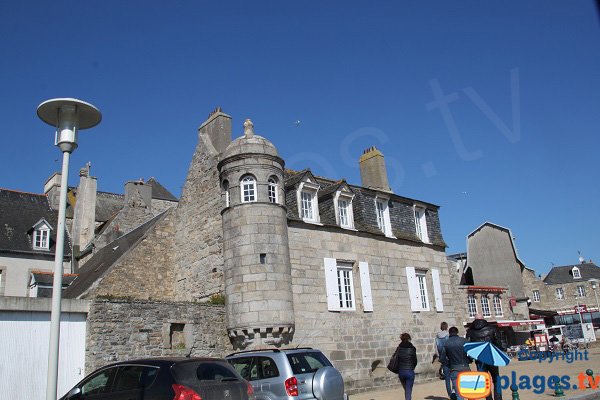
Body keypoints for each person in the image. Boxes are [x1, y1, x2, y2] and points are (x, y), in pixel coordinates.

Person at [466, 314, 503, 400]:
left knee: (484, 381)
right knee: (496, 379)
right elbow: (498, 343)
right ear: (483, 319)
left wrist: (471, 358)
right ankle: (498, 398)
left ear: (474, 320)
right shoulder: (492, 328)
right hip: (491, 357)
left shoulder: (470, 331)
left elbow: (468, 346)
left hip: (479, 359)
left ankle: (488, 398)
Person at [441, 326, 471, 400]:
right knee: (469, 393)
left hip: (454, 368)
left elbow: (442, 358)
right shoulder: (465, 341)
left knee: (459, 395)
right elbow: (470, 353)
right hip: (465, 367)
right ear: (457, 332)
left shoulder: (446, 343)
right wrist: (469, 360)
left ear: (449, 333)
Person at [395, 332, 418, 400]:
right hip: (409, 371)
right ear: (409, 339)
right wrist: (412, 367)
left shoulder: (398, 348)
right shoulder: (412, 348)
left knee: (406, 389)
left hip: (401, 371)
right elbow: (415, 361)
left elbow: (396, 360)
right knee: (408, 390)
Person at [435, 322, 453, 398]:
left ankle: (449, 394)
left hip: (443, 359)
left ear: (441, 327)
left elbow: (436, 349)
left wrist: (440, 357)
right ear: (446, 327)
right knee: (454, 377)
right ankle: (454, 392)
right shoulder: (448, 336)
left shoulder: (437, 337)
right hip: (450, 358)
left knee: (447, 378)